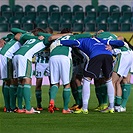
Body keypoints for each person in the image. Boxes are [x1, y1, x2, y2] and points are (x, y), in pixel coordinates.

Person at [60, 37, 124, 114]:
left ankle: (84, 108)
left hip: (96, 55)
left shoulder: (82, 40)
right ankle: (111, 107)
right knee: (108, 80)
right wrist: (112, 46)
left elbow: (70, 43)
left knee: (86, 79)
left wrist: (59, 41)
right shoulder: (101, 40)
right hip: (108, 56)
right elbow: (121, 43)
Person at [48, 28, 92, 114]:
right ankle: (65, 108)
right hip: (64, 57)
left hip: (53, 57)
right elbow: (88, 35)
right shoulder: (72, 37)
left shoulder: (56, 38)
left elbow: (49, 37)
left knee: (54, 83)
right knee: (66, 84)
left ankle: (52, 100)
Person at [12, 27, 52, 114]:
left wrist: (31, 35)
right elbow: (51, 37)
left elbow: (17, 34)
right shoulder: (43, 40)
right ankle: (28, 108)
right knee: (27, 80)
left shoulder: (28, 39)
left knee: (20, 82)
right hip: (25, 57)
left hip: (16, 56)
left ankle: (20, 107)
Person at [0, 29, 26, 112]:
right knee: (10, 81)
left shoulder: (10, 38)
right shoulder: (25, 37)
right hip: (6, 56)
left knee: (7, 81)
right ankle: (11, 107)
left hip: (6, 56)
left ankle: (9, 106)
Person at [111, 36, 133, 112]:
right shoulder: (125, 46)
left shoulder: (119, 44)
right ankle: (119, 105)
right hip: (130, 56)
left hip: (125, 57)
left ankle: (113, 105)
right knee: (120, 82)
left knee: (114, 81)